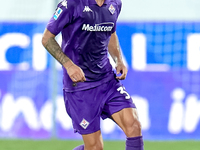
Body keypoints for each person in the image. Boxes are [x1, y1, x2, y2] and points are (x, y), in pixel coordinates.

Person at [42, 0, 144, 149]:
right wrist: (69, 65)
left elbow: (111, 33)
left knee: (134, 125)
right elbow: (46, 39)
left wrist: (118, 59)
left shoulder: (115, 4)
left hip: (107, 80)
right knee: (95, 147)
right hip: (80, 87)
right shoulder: (72, 4)